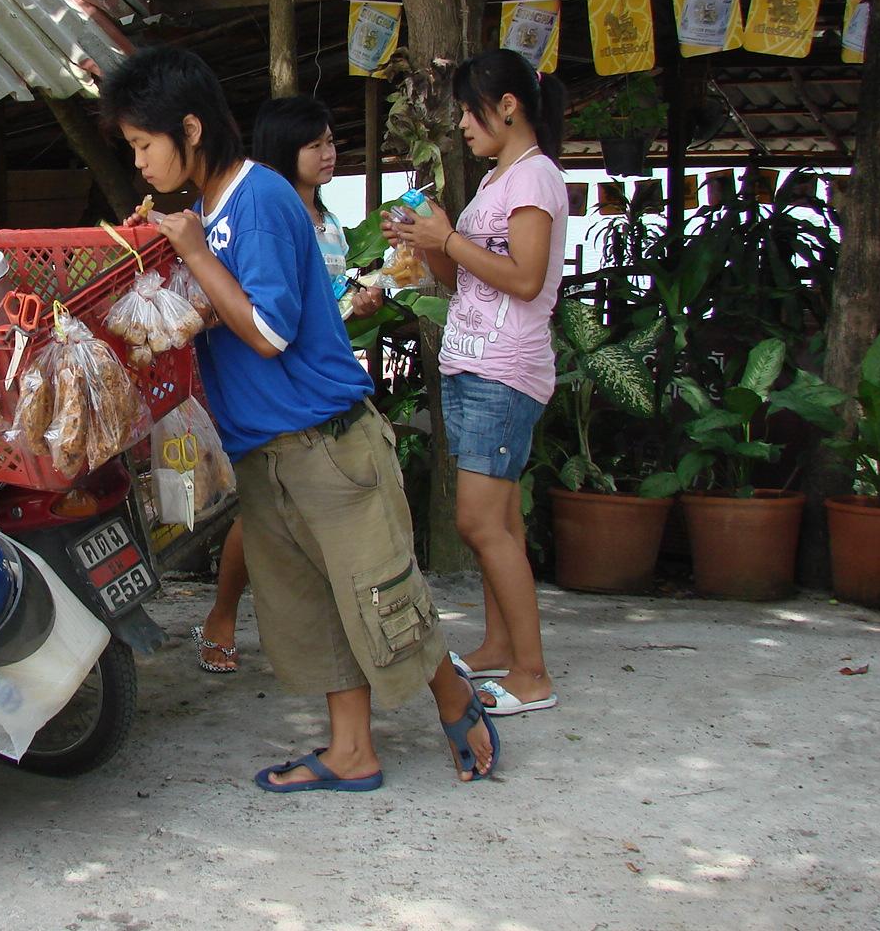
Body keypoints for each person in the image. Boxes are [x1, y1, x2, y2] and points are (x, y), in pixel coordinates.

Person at [105, 46, 498, 787]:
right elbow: (206, 313)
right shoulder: (209, 213)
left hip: (325, 443)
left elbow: (267, 332)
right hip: (265, 452)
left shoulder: (257, 199)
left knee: (379, 593)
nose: (140, 164)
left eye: (143, 144)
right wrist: (162, 257)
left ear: (189, 129)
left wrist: (193, 251)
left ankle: (456, 700)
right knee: (313, 607)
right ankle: (352, 751)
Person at [383, 47, 568, 717]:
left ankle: (532, 675)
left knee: (478, 522)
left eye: (469, 109)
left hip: (505, 368)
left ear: (508, 106)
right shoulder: (497, 180)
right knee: (502, 523)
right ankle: (500, 645)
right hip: (472, 363)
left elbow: (525, 279)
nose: (462, 123)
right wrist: (426, 241)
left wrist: (449, 239)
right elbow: (463, 277)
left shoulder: (535, 177)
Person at [192, 95, 383, 675]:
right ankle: (224, 614)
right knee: (262, 524)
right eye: (314, 144)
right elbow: (264, 320)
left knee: (348, 562)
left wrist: (358, 304)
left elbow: (293, 319)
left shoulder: (327, 224)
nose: (329, 153)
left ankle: (439, 690)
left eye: (331, 142)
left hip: (310, 395)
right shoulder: (256, 210)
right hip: (276, 403)